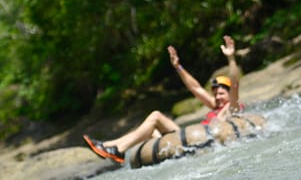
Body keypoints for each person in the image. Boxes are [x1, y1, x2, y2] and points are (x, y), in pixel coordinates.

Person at [83, 35, 243, 163]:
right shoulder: (215, 107)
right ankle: (108, 146)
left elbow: (235, 83)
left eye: (221, 93)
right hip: (190, 140)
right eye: (215, 94)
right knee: (151, 130)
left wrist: (231, 59)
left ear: (229, 94)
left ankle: (118, 149)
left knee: (156, 116)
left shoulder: (232, 107)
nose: (217, 97)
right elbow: (195, 88)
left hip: (202, 141)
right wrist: (178, 66)